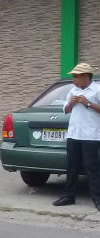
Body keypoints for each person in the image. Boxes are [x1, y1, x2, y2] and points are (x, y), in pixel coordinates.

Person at [52, 63, 100, 210]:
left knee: (92, 168)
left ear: (85, 77)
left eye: (76, 77)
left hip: (91, 135)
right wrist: (70, 104)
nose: (73, 80)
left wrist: (88, 103)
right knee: (71, 167)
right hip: (74, 134)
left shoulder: (97, 89)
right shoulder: (73, 90)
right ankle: (68, 196)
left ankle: (97, 199)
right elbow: (66, 110)